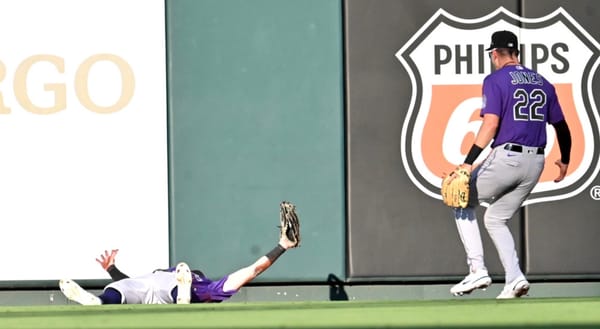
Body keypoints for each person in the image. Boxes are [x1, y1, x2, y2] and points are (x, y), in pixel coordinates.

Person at [447, 30, 572, 299]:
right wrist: (565, 160)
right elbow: (562, 127)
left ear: (494, 54)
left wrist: (468, 163)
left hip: (509, 156)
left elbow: (490, 124)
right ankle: (515, 278)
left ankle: (477, 270)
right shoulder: (543, 82)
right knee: (495, 218)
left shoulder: (496, 79)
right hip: (536, 163)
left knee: (460, 199)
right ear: (516, 52)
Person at [59, 228, 299, 305]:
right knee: (125, 285)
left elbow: (129, 282)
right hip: (161, 285)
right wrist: (281, 246)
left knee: (121, 288)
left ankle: (100, 301)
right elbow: (253, 270)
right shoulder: (210, 288)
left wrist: (112, 271)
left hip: (151, 286)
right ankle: (181, 296)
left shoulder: (202, 285)